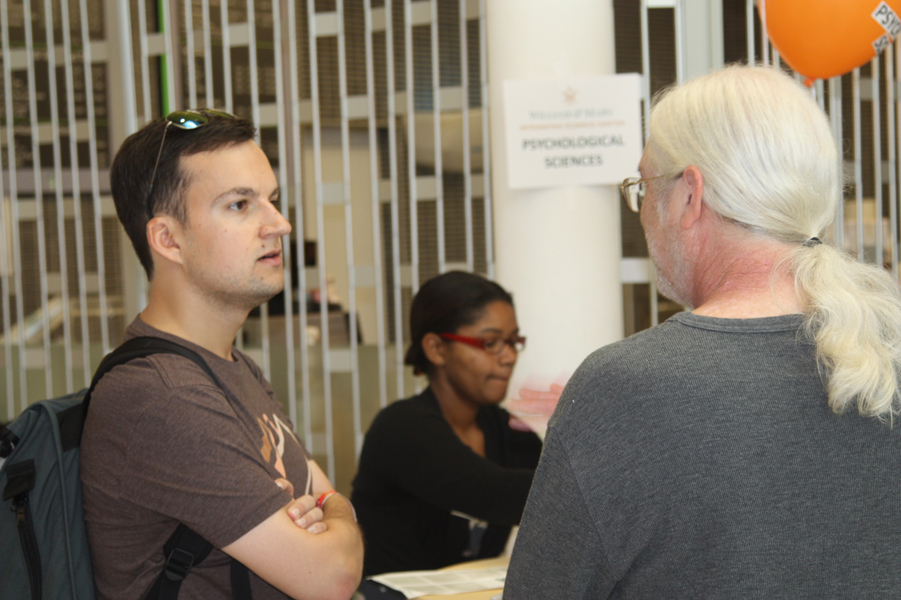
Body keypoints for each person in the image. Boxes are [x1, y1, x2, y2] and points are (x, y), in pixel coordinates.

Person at [504, 65, 901, 599]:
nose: (642, 209)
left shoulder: (625, 388)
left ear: (690, 194)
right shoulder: (887, 343)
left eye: (643, 186)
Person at [80, 110, 363, 600]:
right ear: (168, 239)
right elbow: (331, 575)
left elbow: (324, 497)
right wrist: (333, 509)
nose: (280, 224)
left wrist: (328, 504)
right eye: (239, 205)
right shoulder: (164, 395)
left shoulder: (230, 366)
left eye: (272, 200)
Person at [351, 271, 542, 578]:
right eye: (490, 342)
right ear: (436, 349)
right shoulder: (401, 428)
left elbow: (559, 499)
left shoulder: (511, 434)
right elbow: (493, 493)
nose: (508, 357)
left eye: (513, 341)